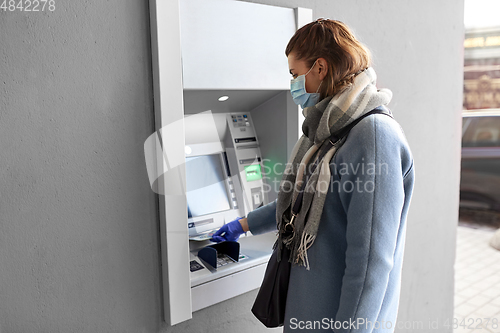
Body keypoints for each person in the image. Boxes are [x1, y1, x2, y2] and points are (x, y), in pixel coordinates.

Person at [211, 18, 415, 333]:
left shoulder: (373, 136)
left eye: (295, 74)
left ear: (319, 68)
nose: (292, 83)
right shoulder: (326, 130)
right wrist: (243, 224)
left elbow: (371, 264)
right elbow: (298, 201)